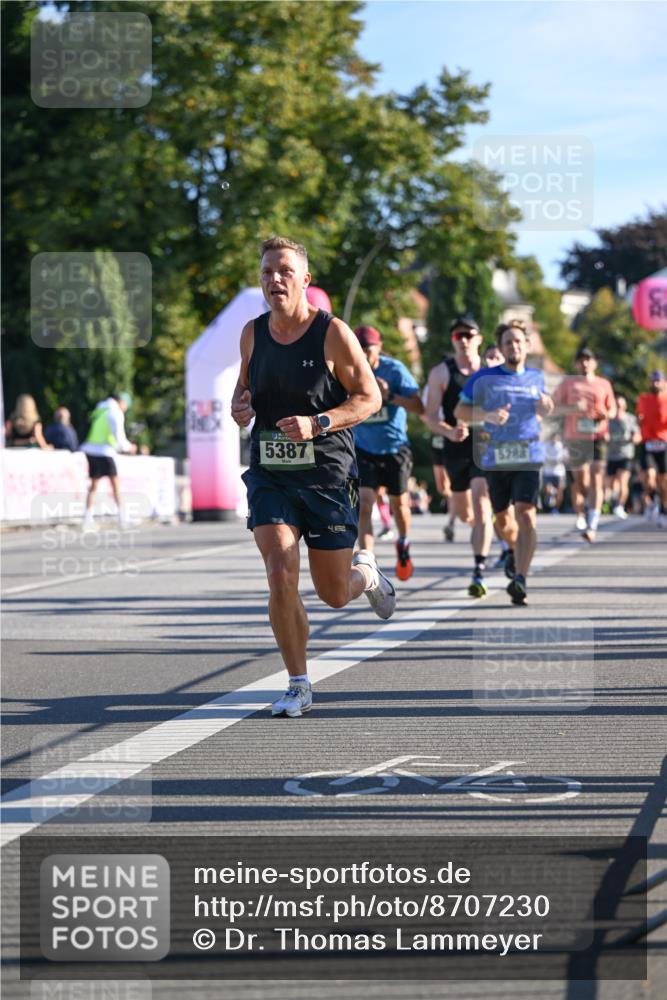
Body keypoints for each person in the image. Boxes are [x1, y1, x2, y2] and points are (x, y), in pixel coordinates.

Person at [231, 236, 396, 719]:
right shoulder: (251, 333)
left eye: (283, 271)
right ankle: (298, 683)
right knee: (280, 570)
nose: (273, 279)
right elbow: (244, 396)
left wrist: (318, 422)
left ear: (305, 280)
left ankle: (364, 575)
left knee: (332, 594)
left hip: (326, 473)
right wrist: (240, 408)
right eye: (265, 272)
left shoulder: (332, 333)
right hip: (271, 473)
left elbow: (370, 399)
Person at [455, 319, 554, 606]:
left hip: (528, 453)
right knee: (504, 520)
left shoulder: (537, 377)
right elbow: (459, 410)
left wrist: (547, 408)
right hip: (496, 456)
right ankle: (512, 550)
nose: (514, 346)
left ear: (527, 345)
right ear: (500, 347)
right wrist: (485, 416)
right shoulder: (484, 378)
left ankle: (520, 579)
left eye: (519, 341)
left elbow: (544, 408)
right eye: (508, 342)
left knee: (525, 514)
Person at [423, 315, 504, 598]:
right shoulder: (441, 373)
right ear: (453, 341)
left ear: (480, 339)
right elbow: (431, 417)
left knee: (481, 503)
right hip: (455, 449)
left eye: (469, 335)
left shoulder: (493, 371)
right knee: (467, 513)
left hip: (486, 447)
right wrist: (448, 433)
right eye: (459, 336)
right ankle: (489, 533)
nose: (464, 340)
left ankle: (478, 569)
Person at [353, 324, 424, 580]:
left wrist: (391, 396)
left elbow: (419, 407)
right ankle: (367, 561)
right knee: (365, 504)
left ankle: (403, 542)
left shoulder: (394, 370)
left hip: (395, 448)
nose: (363, 355)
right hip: (363, 448)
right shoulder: (348, 369)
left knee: (399, 504)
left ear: (379, 348)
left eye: (368, 350)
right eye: (358, 350)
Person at [552, 346, 616, 543]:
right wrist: (572, 408)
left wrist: (607, 414)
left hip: (598, 436)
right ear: (576, 364)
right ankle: (588, 507)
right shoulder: (568, 383)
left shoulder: (603, 383)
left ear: (595, 363)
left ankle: (592, 524)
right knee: (581, 482)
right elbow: (552, 407)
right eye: (581, 360)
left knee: (597, 478)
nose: (585, 363)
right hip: (575, 437)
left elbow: (612, 409)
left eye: (588, 359)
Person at [80, 392, 137, 529]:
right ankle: (122, 518)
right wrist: (129, 447)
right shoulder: (115, 412)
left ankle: (88, 518)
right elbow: (119, 437)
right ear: (122, 402)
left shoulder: (100, 408)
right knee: (115, 484)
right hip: (105, 451)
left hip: (90, 449)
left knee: (93, 485)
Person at [637, 370, 667, 527]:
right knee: (649, 476)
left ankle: (663, 509)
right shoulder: (644, 399)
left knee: (663, 481)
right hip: (647, 443)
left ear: (664, 383)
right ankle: (653, 499)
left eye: (658, 381)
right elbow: (640, 418)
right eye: (653, 381)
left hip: (664, 443)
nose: (655, 384)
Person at [605, 395, 640, 519]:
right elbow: (603, 433)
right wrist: (605, 437)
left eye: (620, 406)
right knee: (609, 484)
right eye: (617, 406)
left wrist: (635, 438)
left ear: (624, 407)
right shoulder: (609, 420)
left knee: (622, 480)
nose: (619, 408)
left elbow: (637, 435)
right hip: (611, 455)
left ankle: (620, 506)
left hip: (626, 454)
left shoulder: (630, 419)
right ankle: (608, 503)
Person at [542, 431, 568, 514]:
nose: (554, 440)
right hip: (548, 472)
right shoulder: (545, 446)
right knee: (547, 489)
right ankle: (551, 494)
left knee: (560, 491)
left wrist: (560, 460)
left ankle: (555, 509)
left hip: (559, 473)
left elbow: (566, 459)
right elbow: (543, 457)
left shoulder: (562, 446)